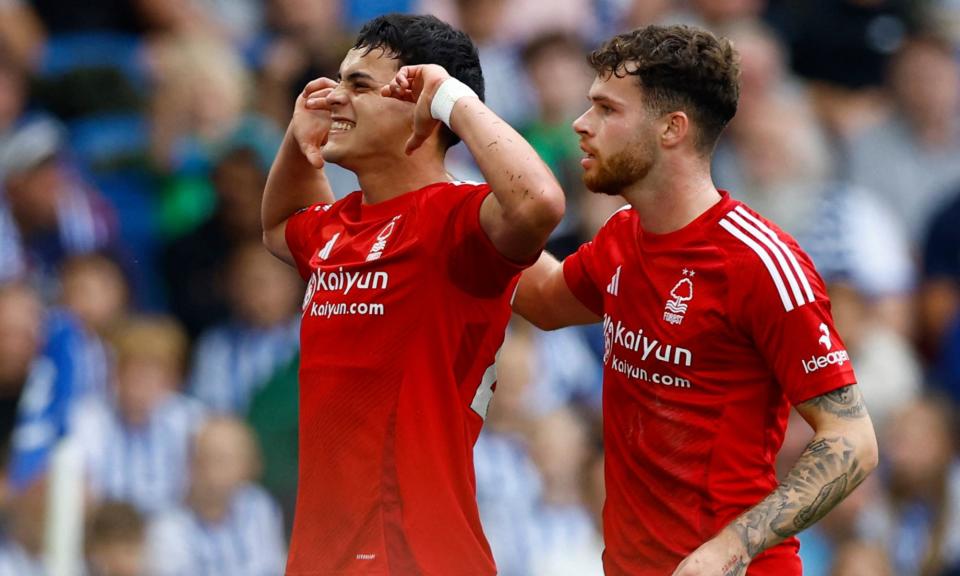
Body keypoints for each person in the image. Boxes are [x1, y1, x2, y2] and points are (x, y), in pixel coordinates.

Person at [513, 24, 878, 575]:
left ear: (672, 128)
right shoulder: (621, 236)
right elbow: (541, 298)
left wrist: (732, 546)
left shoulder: (758, 262)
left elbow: (853, 440)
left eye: (607, 110)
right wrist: (453, 198)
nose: (581, 125)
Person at [259, 13, 564, 576]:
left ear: (419, 106)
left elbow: (539, 202)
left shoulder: (458, 220)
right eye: (338, 80)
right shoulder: (338, 224)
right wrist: (295, 141)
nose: (335, 98)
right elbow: (280, 225)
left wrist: (453, 98)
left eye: (359, 86)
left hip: (416, 555)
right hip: (321, 558)